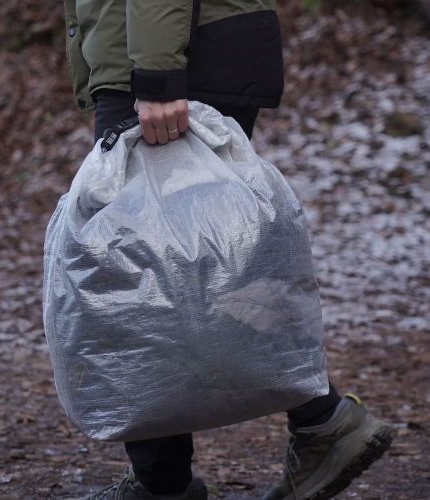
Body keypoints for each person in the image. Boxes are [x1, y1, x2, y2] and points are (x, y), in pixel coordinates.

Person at [61, 1, 393, 499]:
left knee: (143, 278)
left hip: (167, 50)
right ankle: (318, 423)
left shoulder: (158, 68)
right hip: (187, 40)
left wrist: (155, 74)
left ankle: (167, 482)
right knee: (196, 273)